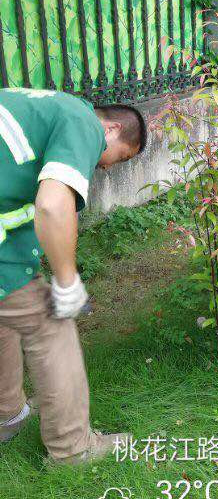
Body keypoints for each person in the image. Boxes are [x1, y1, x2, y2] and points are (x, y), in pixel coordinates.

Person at [0, 88, 146, 464]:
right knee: (51, 322)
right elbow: (51, 206)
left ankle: (7, 415)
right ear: (111, 129)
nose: (108, 167)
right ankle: (72, 449)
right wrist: (67, 283)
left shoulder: (40, 105)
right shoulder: (83, 122)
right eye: (119, 158)